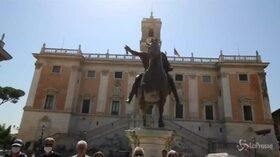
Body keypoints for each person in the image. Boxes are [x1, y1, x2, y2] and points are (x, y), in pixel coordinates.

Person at [124, 39, 182, 106]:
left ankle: (177, 100)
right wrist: (129, 49)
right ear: (149, 47)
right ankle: (130, 97)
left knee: (171, 80)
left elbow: (167, 64)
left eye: (156, 47)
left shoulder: (162, 55)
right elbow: (135, 53)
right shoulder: (145, 55)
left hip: (161, 73)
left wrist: (169, 68)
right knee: (137, 78)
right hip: (147, 73)